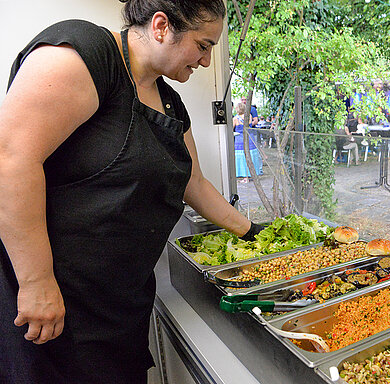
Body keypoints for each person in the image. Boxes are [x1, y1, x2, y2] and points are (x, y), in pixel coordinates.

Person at [0, 1, 264, 383]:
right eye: (203, 45)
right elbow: (11, 160)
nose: (206, 61)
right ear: (161, 26)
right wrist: (36, 282)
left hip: (118, 306)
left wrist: (252, 232)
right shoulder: (86, 54)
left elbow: (196, 184)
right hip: (52, 305)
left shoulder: (170, 100)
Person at [234, 102, 263, 183]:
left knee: (242, 158)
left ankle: (245, 177)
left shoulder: (235, 119)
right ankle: (253, 174)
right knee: (252, 156)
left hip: (240, 140)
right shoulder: (249, 116)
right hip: (250, 138)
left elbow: (232, 128)